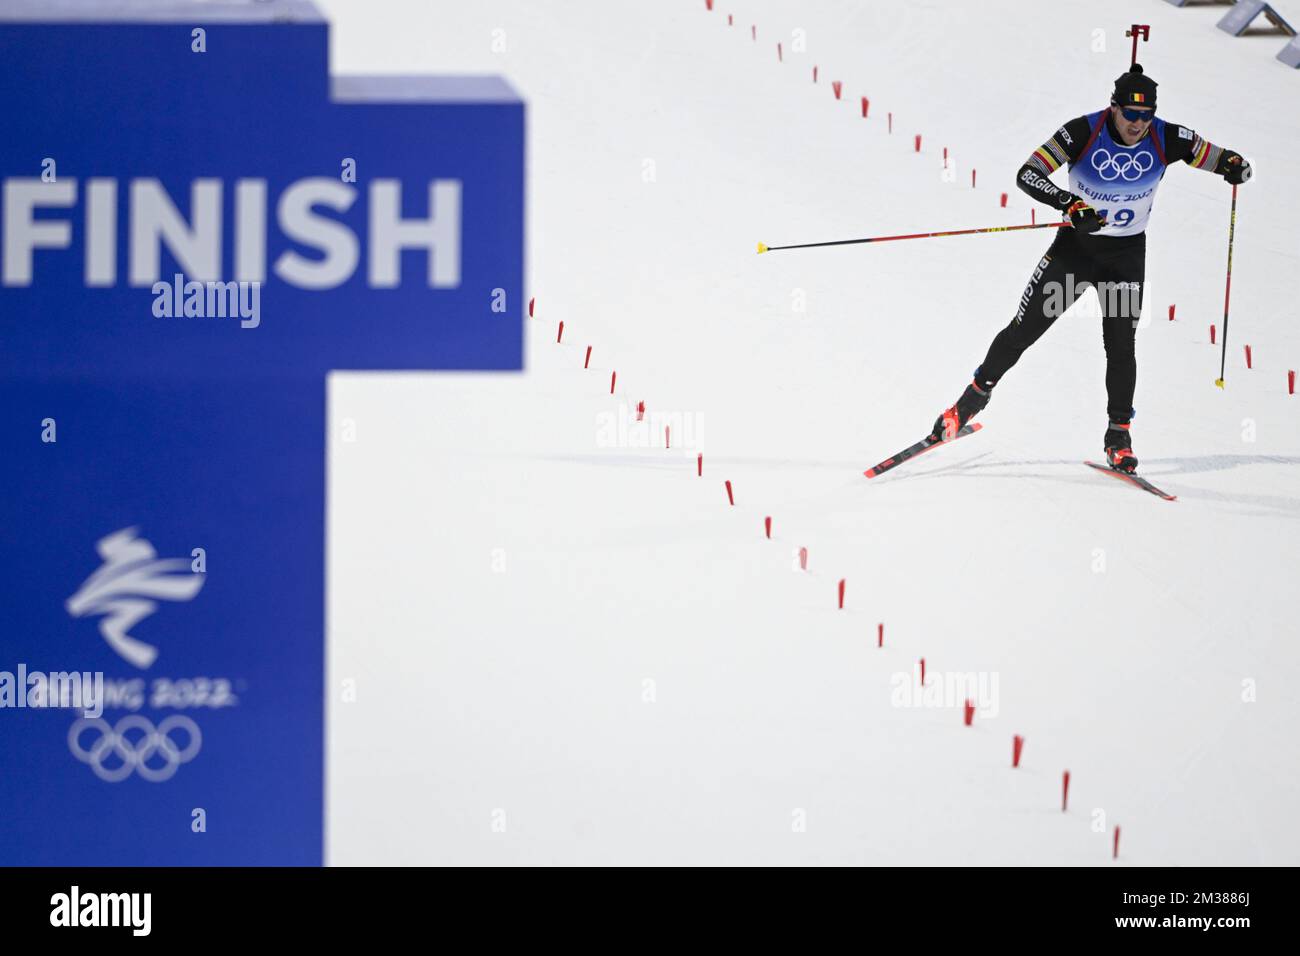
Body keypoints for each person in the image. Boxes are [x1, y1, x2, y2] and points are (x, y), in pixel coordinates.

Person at [930, 64, 1251, 473]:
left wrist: (1233, 165)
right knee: (1023, 332)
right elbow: (1029, 173)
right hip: (1075, 256)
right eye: (1131, 114)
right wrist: (1070, 204)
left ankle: (1119, 436)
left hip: (1124, 259)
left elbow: (1212, 155)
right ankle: (969, 402)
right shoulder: (1082, 131)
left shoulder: (1166, 135)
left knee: (1121, 347)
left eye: (1146, 115)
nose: (1138, 124)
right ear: (1113, 107)